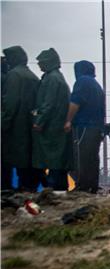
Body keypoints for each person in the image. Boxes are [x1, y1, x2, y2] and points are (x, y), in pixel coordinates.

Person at [32, 48, 71, 192]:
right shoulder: (55, 77)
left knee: (54, 160)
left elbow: (48, 103)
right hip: (55, 125)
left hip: (52, 127)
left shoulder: (53, 79)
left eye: (41, 62)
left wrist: (39, 121)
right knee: (56, 161)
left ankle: (54, 188)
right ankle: (57, 187)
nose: (39, 65)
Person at [2, 46, 40, 192]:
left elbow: (10, 102)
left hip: (15, 125)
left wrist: (3, 121)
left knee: (14, 159)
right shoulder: (32, 75)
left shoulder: (14, 75)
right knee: (27, 160)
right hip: (30, 124)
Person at [66, 60, 104, 193]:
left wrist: (68, 120)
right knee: (93, 157)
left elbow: (75, 102)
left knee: (82, 157)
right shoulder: (96, 85)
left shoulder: (82, 82)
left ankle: (82, 185)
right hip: (97, 127)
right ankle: (92, 185)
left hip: (85, 125)